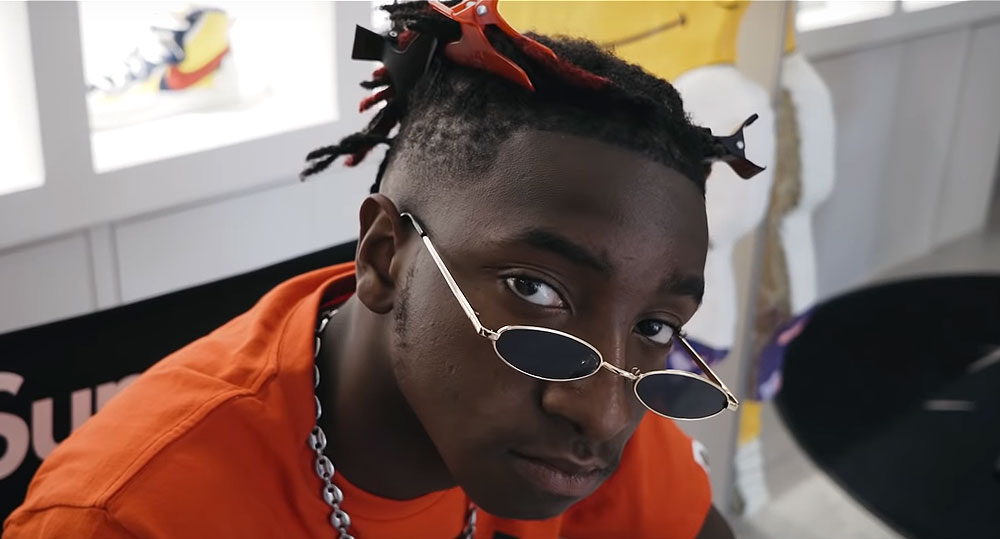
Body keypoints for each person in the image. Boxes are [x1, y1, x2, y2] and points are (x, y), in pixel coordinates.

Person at [5, 1, 763, 537]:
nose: (604, 414)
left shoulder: (591, 403)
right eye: (535, 290)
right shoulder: (125, 517)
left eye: (655, 326)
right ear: (383, 255)